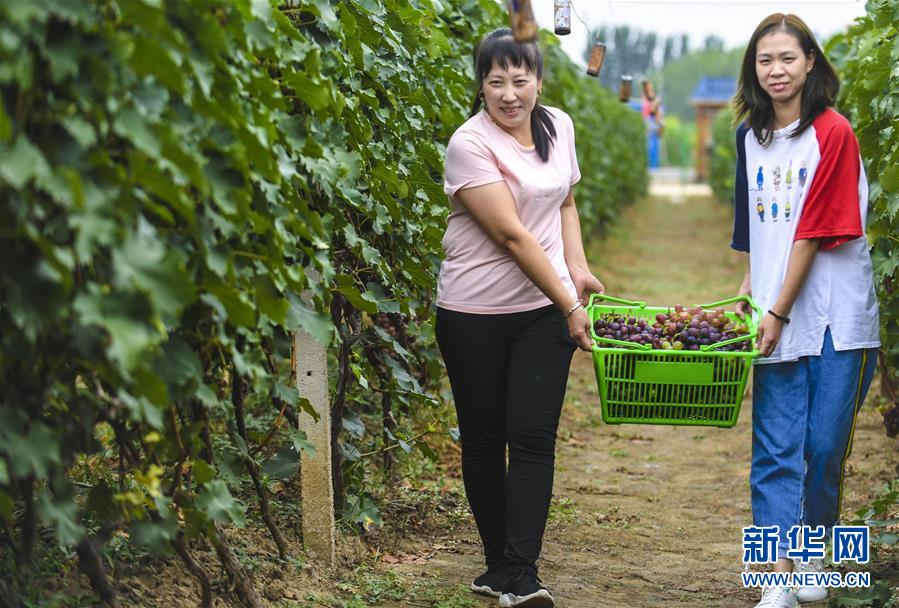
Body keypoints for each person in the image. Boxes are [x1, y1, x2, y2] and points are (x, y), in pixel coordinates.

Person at [435, 27, 603, 608]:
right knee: (484, 438)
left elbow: (566, 202)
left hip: (542, 311)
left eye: (520, 79)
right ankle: (496, 566)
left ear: (539, 80)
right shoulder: (470, 144)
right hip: (472, 311)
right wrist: (571, 303)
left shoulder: (559, 126)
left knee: (532, 437)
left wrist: (576, 270)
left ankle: (521, 573)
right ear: (480, 86)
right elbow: (509, 233)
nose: (510, 93)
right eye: (495, 81)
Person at [730, 13, 880, 608]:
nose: (776, 71)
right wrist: (748, 291)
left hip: (833, 316)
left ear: (810, 61)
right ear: (754, 68)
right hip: (773, 312)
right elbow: (756, 231)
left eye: (787, 58)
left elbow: (814, 231)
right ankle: (775, 575)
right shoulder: (749, 138)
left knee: (822, 446)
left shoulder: (834, 132)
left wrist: (778, 309)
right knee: (773, 448)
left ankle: (820, 556)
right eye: (765, 60)